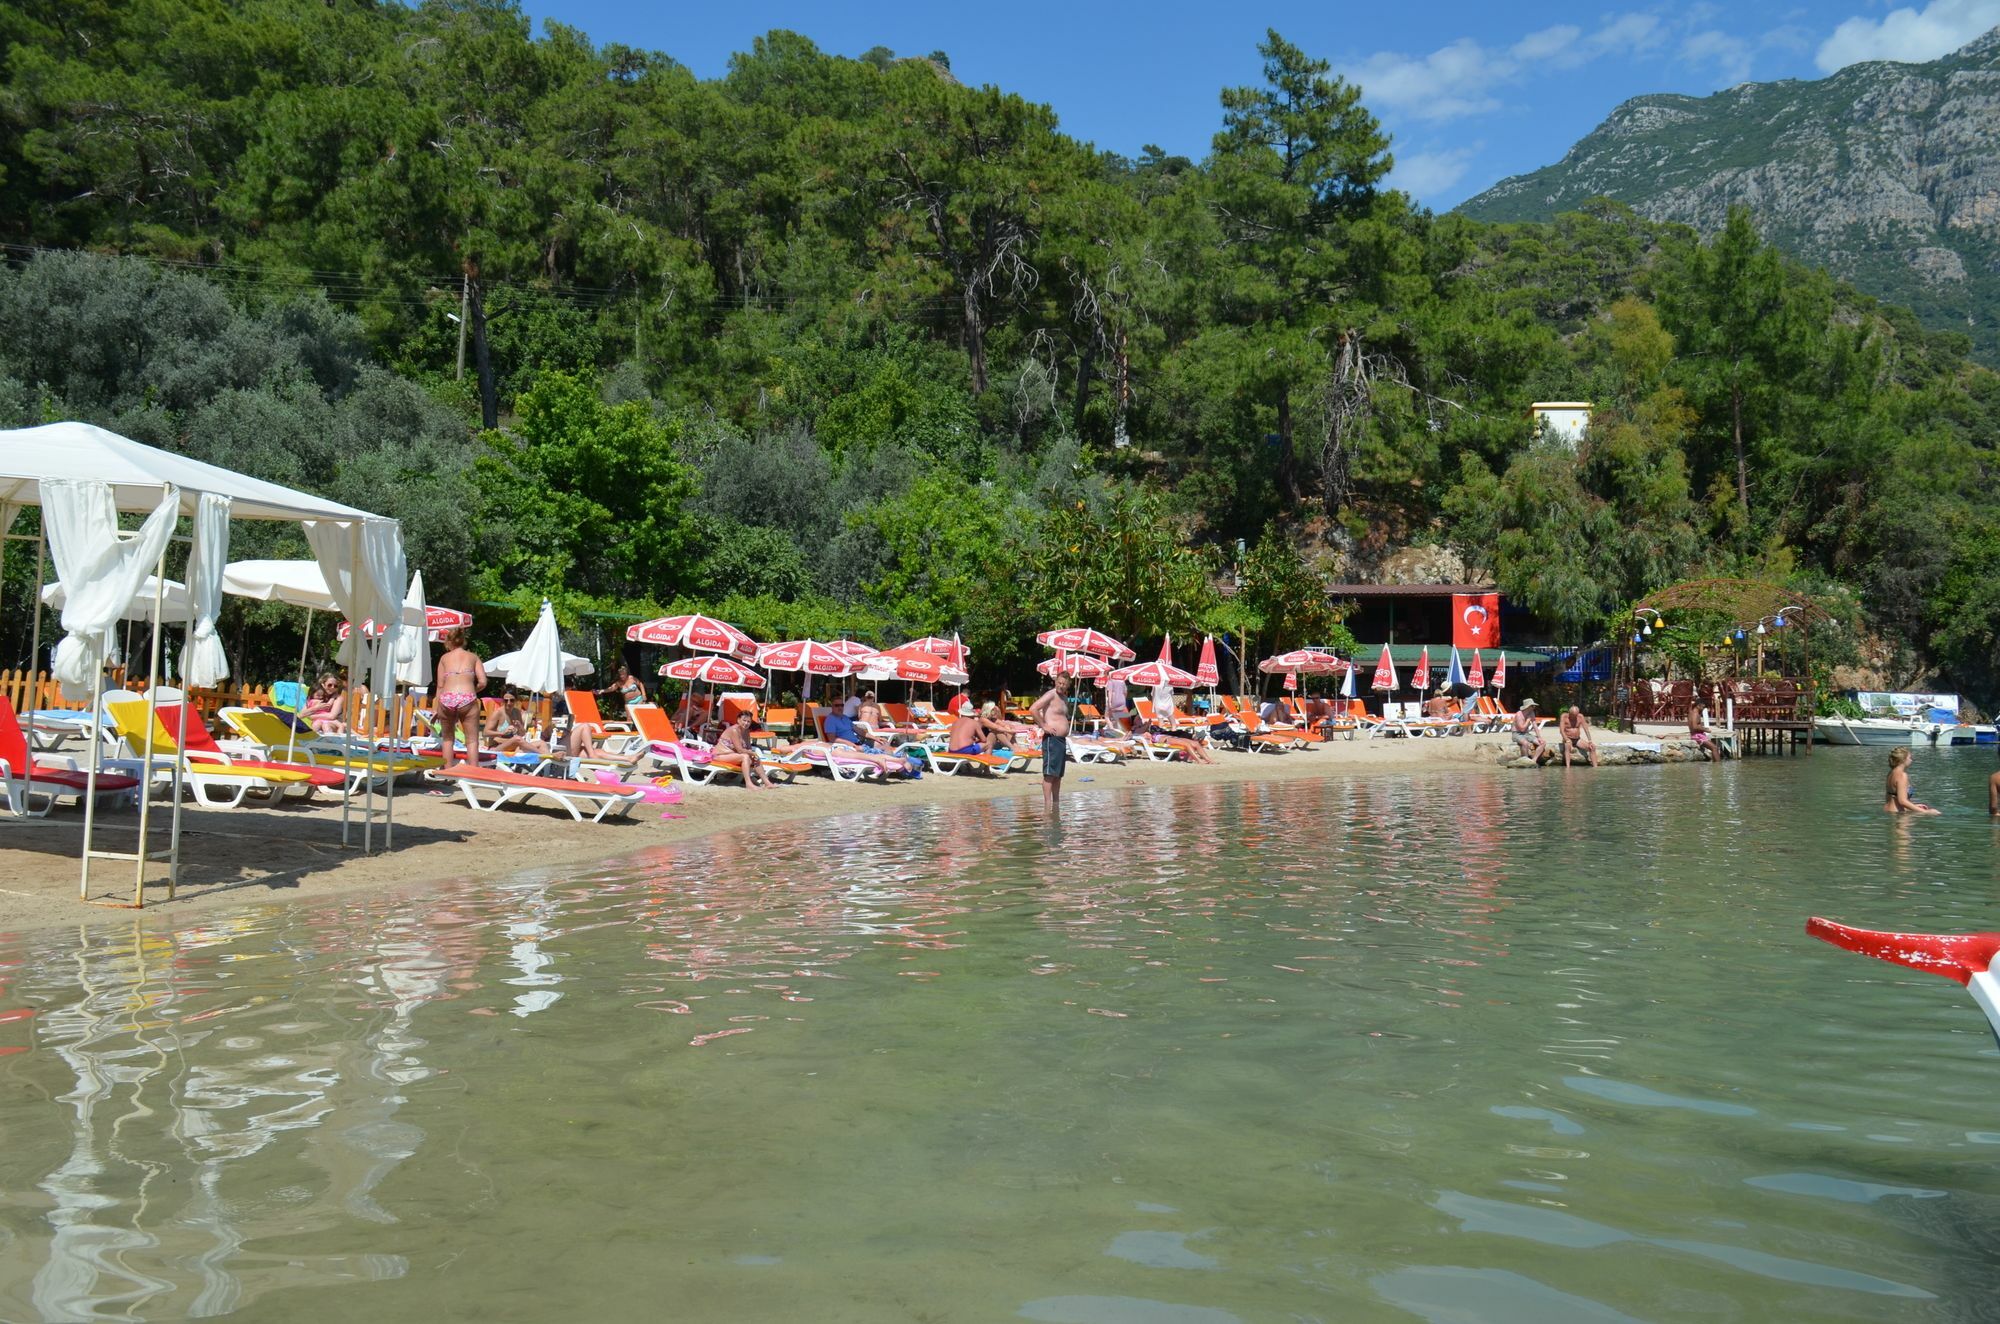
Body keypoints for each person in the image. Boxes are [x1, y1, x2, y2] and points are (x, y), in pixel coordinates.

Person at [432, 629, 486, 761]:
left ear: (448, 642)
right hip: (467, 696)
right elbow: (483, 682)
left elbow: (440, 685)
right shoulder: (473, 657)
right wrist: (473, 690)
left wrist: (436, 708)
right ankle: (473, 773)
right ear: (463, 641)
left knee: (447, 739)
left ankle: (447, 772)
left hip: (447, 697)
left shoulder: (444, 658)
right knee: (472, 740)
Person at [1028, 674, 1071, 817]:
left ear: (1068, 685)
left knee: (1058, 775)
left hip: (1061, 740)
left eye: (1064, 684)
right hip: (1051, 740)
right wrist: (1044, 725)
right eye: (1059, 683)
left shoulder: (1064, 698)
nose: (1061, 686)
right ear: (1055, 681)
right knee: (1049, 774)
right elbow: (1033, 709)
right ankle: (1047, 805)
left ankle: (1056, 803)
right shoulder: (1051, 695)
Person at [714, 709, 774, 789]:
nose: (746, 723)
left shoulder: (746, 732)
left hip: (733, 755)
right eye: (744, 720)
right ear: (738, 720)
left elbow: (748, 748)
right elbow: (740, 750)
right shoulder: (734, 730)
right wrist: (751, 753)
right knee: (745, 756)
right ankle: (748, 783)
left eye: (748, 721)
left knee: (754, 757)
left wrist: (753, 755)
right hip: (720, 755)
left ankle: (767, 782)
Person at [1885, 746, 1938, 814]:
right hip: (1898, 813)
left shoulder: (1891, 773)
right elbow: (1902, 801)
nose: (1911, 760)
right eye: (1909, 758)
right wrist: (1926, 812)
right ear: (1903, 760)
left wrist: (1914, 806)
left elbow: (1890, 797)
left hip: (1889, 810)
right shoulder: (1902, 775)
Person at [1511, 698, 1550, 764]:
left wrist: (1539, 737)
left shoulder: (1531, 713)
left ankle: (1534, 760)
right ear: (1528, 707)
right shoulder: (1519, 715)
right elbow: (1522, 729)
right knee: (1525, 743)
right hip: (1517, 734)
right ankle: (1525, 760)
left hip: (1526, 734)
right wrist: (1528, 720)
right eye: (1532, 706)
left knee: (1543, 743)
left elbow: (1535, 726)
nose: (1534, 707)